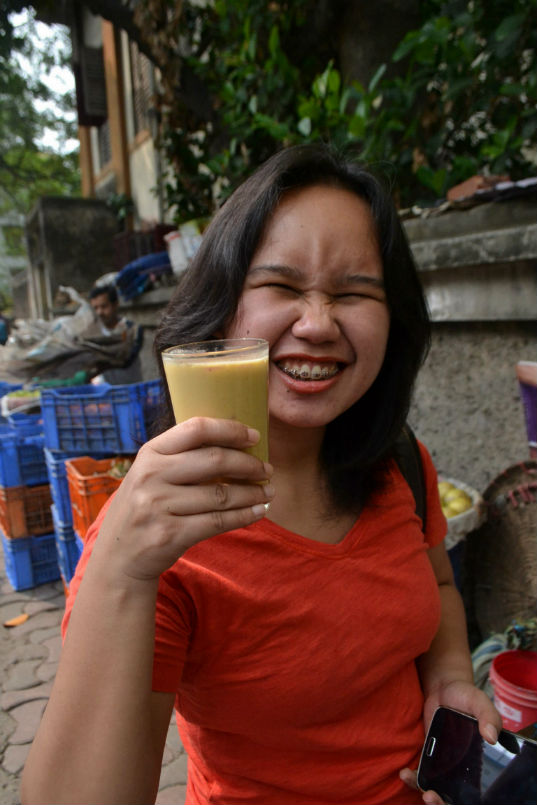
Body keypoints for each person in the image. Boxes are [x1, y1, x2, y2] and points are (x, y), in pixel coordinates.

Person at [21, 143, 501, 805]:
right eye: (281, 285)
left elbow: (438, 580)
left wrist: (449, 678)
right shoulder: (162, 537)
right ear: (221, 306)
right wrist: (121, 569)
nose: (317, 322)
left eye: (353, 292)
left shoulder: (397, 462)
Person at [88, 283, 144, 383]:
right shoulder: (92, 333)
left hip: (132, 390)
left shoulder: (132, 330)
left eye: (104, 306)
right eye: (95, 308)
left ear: (115, 304)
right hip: (110, 392)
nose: (99, 312)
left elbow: (126, 360)